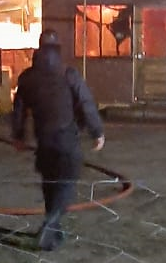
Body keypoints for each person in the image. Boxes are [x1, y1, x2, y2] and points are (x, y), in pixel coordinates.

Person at [12, 28, 105, 251]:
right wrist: (97, 131)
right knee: (66, 184)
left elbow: (19, 110)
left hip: (44, 141)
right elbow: (85, 102)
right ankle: (50, 224)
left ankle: (53, 232)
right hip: (66, 141)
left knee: (50, 184)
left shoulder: (27, 78)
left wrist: (18, 136)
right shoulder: (68, 74)